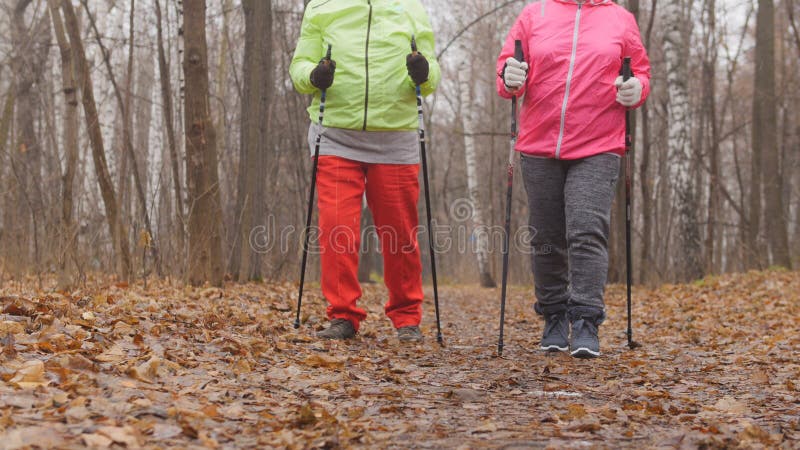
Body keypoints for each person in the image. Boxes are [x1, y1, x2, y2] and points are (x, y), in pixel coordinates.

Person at [496, 0, 650, 358]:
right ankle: (553, 316)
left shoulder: (620, 19)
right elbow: (507, 72)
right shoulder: (535, 15)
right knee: (546, 235)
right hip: (539, 143)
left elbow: (640, 73)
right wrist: (509, 76)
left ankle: (585, 321)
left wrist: (636, 89)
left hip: (598, 144)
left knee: (585, 230)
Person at [290, 0, 440, 342]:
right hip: (336, 136)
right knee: (337, 229)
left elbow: (432, 74)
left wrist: (423, 73)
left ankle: (406, 317)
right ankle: (343, 315)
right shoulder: (323, 6)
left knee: (400, 233)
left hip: (395, 135)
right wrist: (313, 76)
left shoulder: (409, 7)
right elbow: (298, 67)